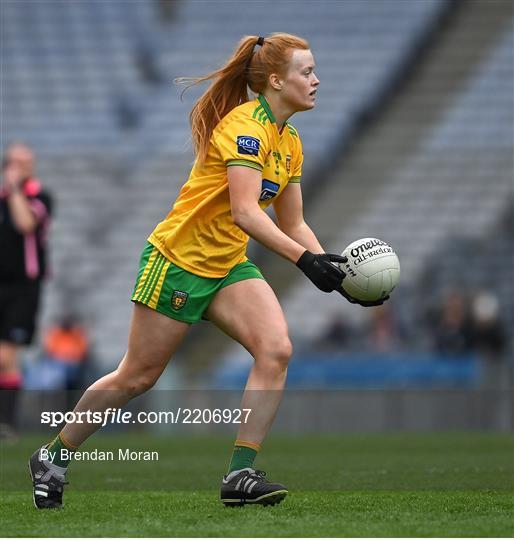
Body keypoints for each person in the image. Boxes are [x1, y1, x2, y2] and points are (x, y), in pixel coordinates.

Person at [29, 33, 383, 510]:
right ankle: (53, 456)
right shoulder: (245, 128)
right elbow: (246, 212)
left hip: (228, 266)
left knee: (276, 349)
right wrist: (305, 262)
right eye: (307, 72)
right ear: (276, 81)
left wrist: (337, 271)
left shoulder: (290, 140)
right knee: (136, 377)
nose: (317, 80)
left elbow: (293, 221)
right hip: (178, 261)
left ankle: (239, 474)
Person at [0, 143, 53, 440]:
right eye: (18, 162)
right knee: (6, 360)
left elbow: (25, 224)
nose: (24, 167)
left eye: (27, 162)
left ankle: (6, 422)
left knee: (5, 355)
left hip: (23, 288)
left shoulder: (38, 197)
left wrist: (15, 190)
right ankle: (6, 423)